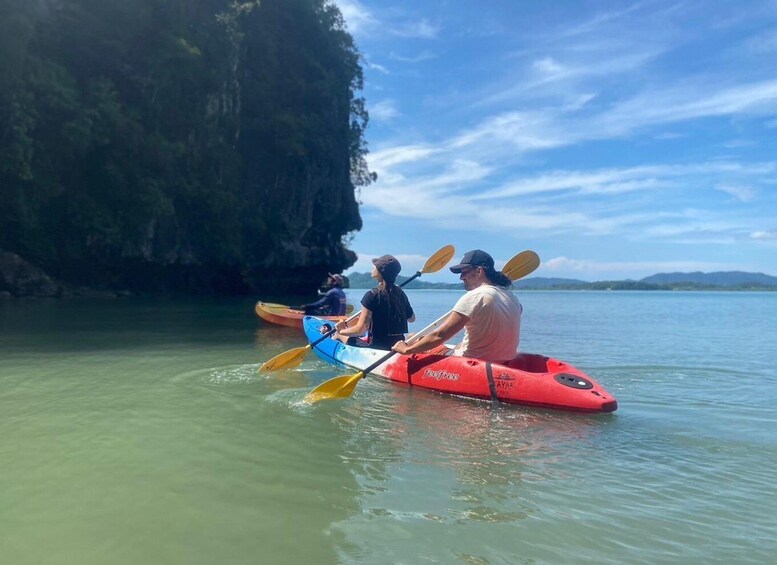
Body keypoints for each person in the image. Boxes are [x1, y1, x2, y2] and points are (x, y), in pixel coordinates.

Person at [392, 249, 522, 362]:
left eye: (464, 272)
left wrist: (407, 349)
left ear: (479, 271)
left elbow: (440, 335)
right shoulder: (513, 299)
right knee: (459, 344)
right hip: (503, 361)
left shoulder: (475, 296)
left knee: (412, 337)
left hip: (471, 362)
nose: (461, 277)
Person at [333, 254, 415, 350]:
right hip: (398, 346)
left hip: (376, 349)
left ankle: (331, 350)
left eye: (375, 265)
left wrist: (342, 331)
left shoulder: (371, 295)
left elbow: (360, 330)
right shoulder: (400, 293)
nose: (372, 267)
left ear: (381, 271)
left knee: (338, 334)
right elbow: (411, 319)